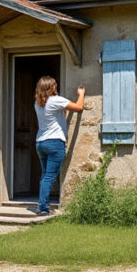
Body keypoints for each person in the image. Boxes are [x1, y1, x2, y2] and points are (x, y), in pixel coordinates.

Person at [33, 76, 84, 215]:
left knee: (45, 175)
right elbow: (78, 107)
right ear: (52, 87)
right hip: (55, 142)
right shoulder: (56, 100)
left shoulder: (37, 104)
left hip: (41, 142)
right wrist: (81, 94)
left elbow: (55, 115)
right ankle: (43, 208)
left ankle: (42, 204)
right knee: (49, 176)